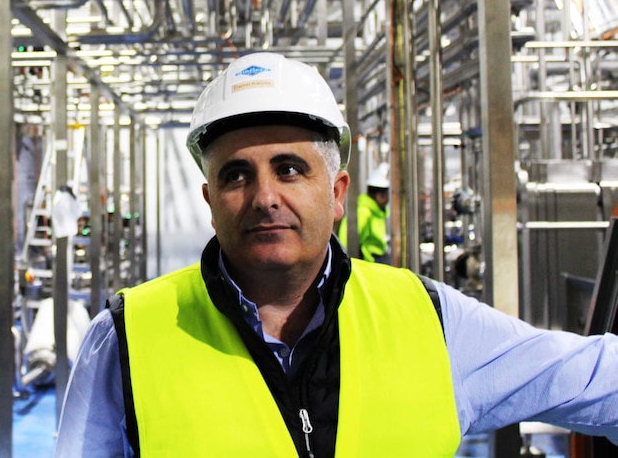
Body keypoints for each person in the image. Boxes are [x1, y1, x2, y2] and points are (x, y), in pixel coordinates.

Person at [54, 52, 618, 456]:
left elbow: (595, 378)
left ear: (338, 193)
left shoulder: (432, 321)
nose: (265, 196)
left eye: (291, 168)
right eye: (236, 175)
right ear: (211, 201)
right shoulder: (127, 337)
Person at [339, 163, 391, 263]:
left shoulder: (376, 211)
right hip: (370, 260)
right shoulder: (364, 212)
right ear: (380, 196)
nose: (388, 200)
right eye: (386, 195)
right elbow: (345, 239)